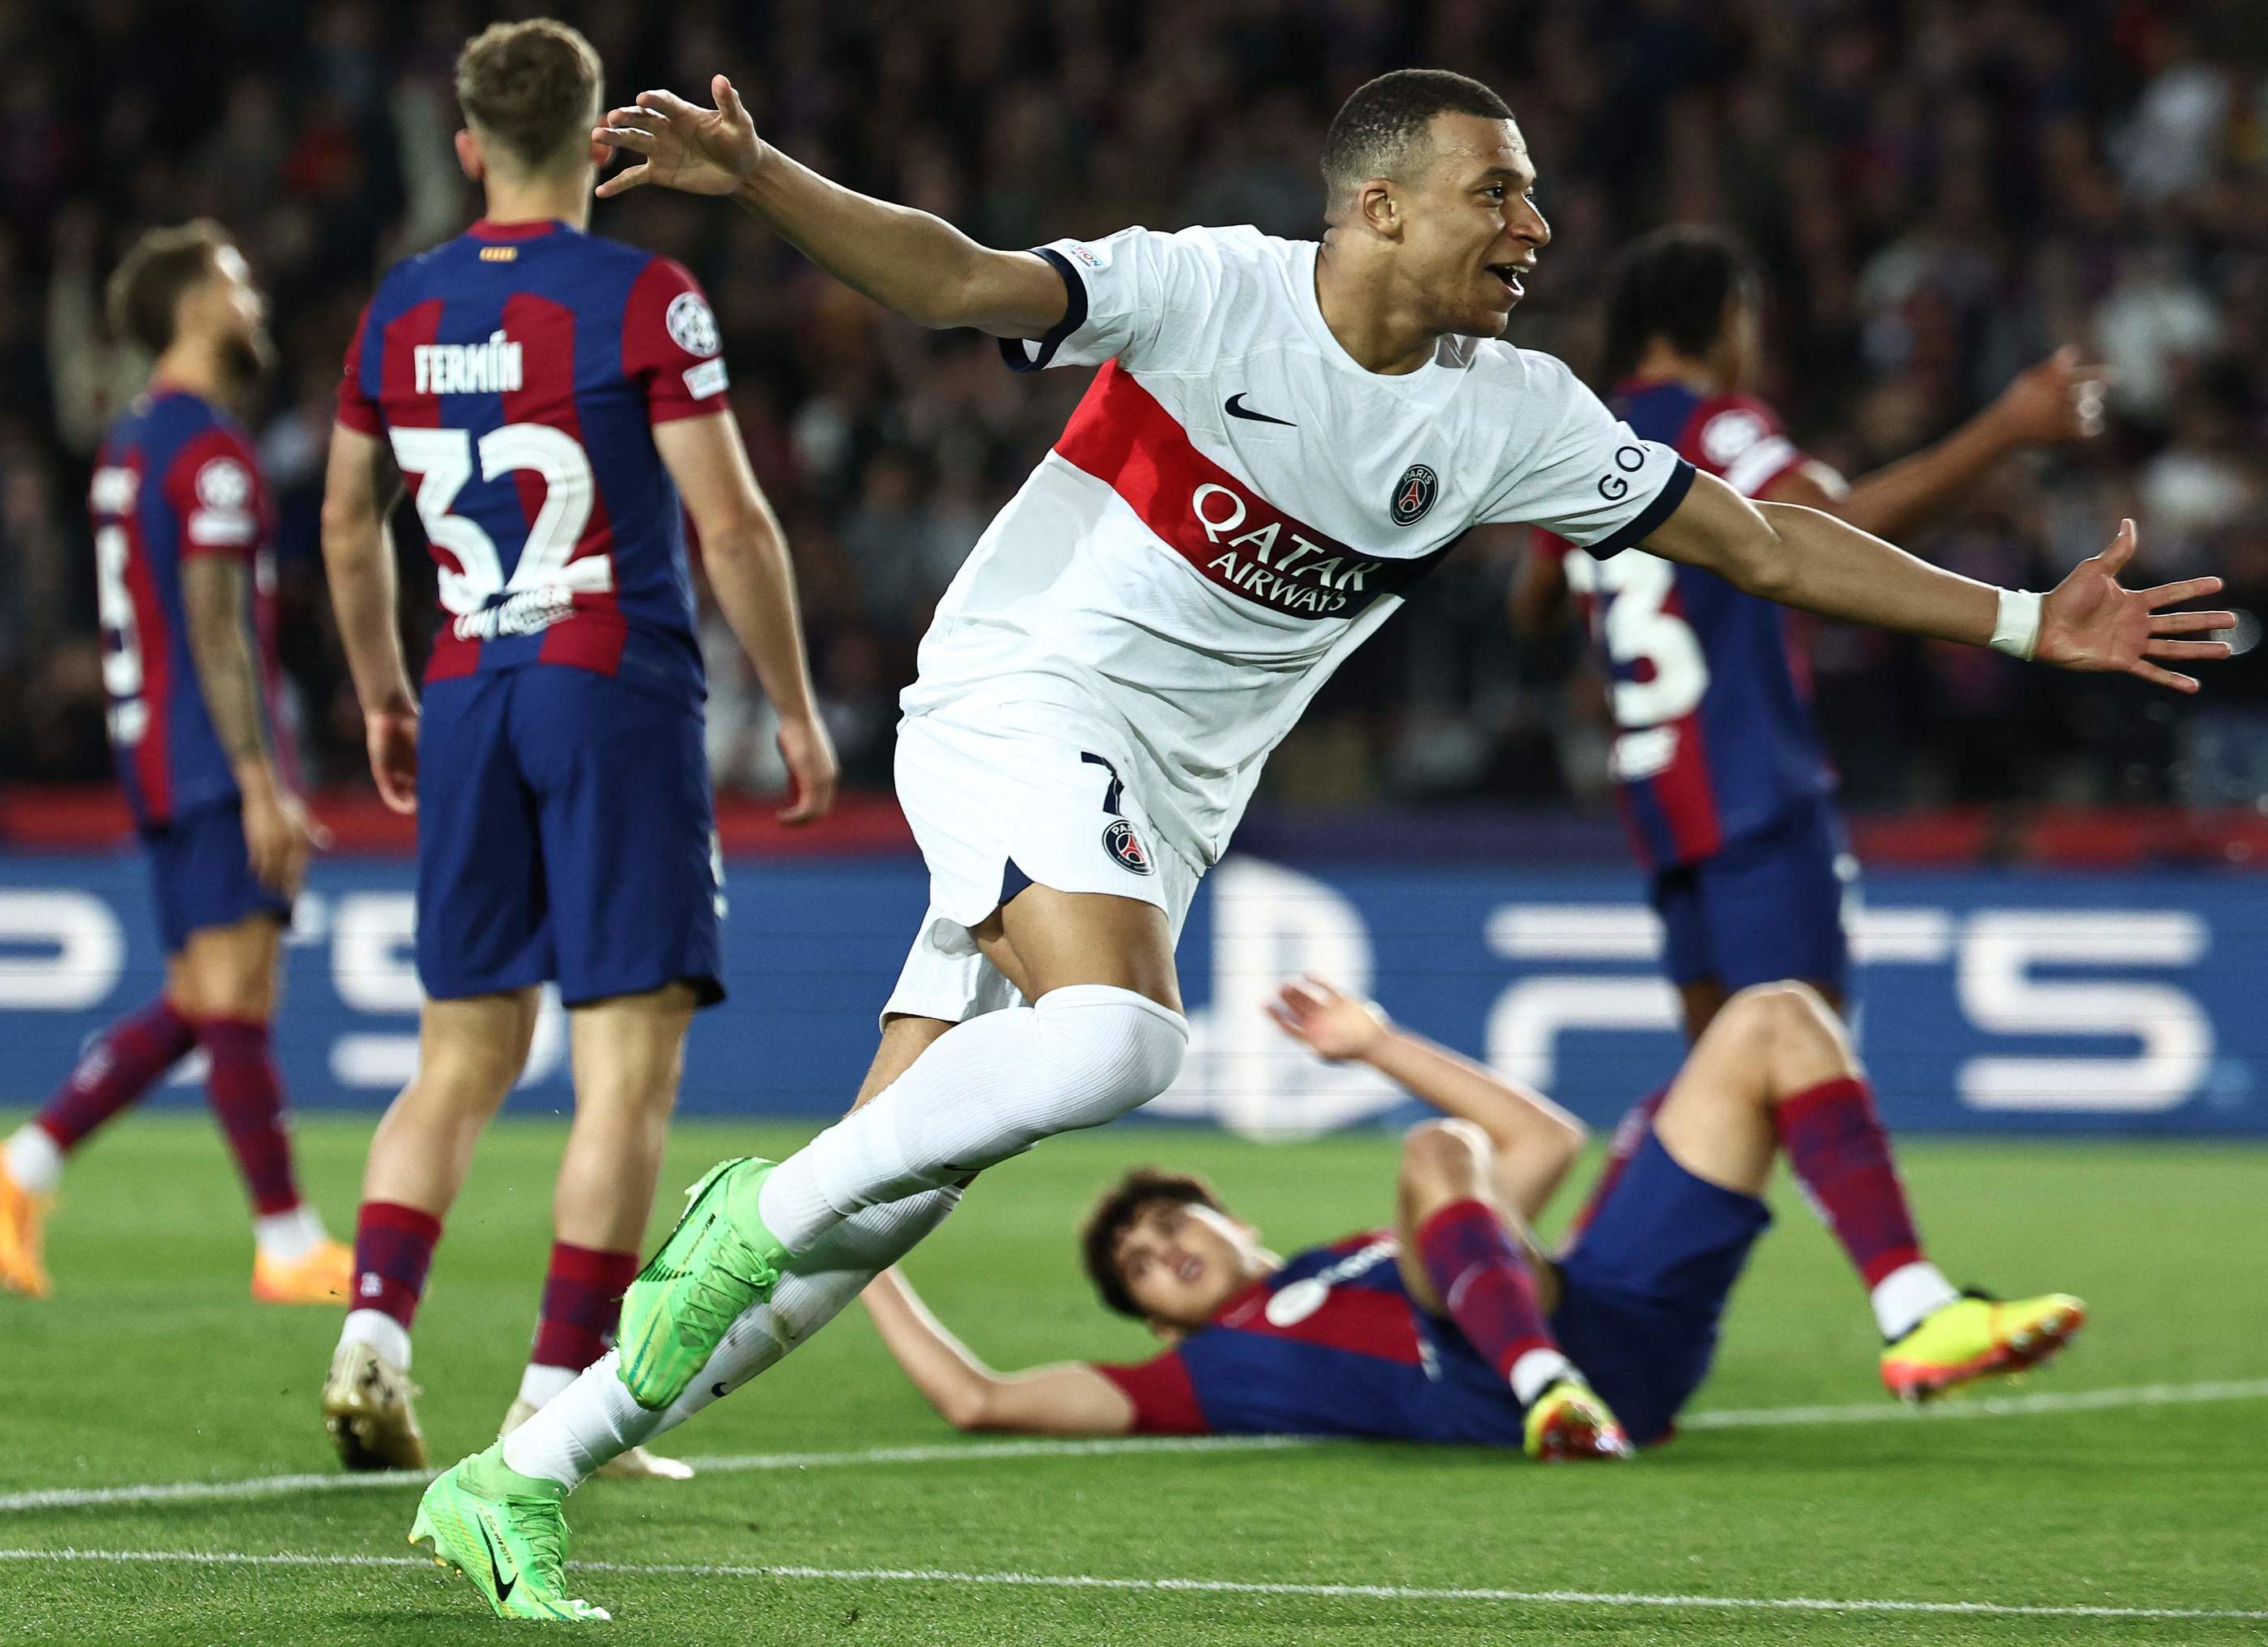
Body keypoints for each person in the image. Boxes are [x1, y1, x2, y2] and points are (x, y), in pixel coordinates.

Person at [411, 67, 2221, 1620]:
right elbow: (965, 279)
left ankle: (518, 1470)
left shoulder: (1511, 414)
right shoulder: (1212, 293)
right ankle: (755, 1198)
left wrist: (2011, 621)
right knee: (1119, 1040)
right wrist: (768, 181)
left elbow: (1752, 542)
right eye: (1496, 191)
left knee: (888, 1205)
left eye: (1538, 197)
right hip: (1022, 700)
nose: (1535, 221)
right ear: (1375, 203)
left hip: (1166, 806)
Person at [314, 19, 836, 1481]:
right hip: (611, 685)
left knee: (458, 1056)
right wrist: (792, 704)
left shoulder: (400, 306)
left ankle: (373, 1331)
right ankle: (555, 1395)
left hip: (469, 679)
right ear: (600, 135)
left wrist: (379, 690)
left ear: (470, 145)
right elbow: (728, 519)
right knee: (623, 1073)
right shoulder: (642, 295)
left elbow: (348, 522)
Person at [859, 976, 2084, 1459]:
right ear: (1158, 1317)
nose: (1161, 1251)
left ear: (1233, 1222)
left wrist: (1380, 1044)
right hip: (1493, 1382)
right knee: (1440, 1155)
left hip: (1612, 1319)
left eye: (1170, 1222)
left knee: (1770, 1018)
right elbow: (981, 1400)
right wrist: (851, 1246)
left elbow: (1541, 1143)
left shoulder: (1367, 1254)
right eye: (1141, 1268)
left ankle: (1916, 1308)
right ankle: (1543, 1387)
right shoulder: (1205, 1373)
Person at [1509, 227, 2111, 1040]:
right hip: (1751, 783)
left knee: (1719, 1092)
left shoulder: (1590, 443)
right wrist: (2004, 428)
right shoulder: (1716, 427)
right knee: (1810, 1068)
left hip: (1658, 794)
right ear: (1727, 316)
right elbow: (1832, 531)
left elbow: (1531, 603)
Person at [0, 221, 346, 1305]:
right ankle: (287, 1239)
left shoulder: (136, 442)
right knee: (237, 997)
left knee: (201, 995)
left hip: (160, 752)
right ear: (190, 310)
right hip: (212, 756)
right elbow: (218, 633)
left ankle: (15, 1170)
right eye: (234, 281)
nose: (253, 297)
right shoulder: (210, 453)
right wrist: (264, 783)